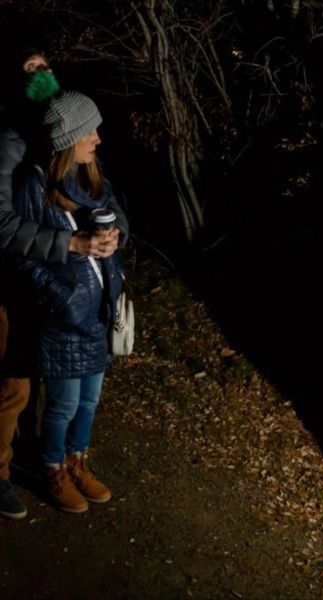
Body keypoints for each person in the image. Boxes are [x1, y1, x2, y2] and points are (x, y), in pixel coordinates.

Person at [0, 49, 127, 519]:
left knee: (80, 398)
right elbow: (9, 238)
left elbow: (115, 212)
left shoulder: (81, 167)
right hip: (45, 301)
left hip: (85, 308)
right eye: (88, 131)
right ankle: (35, 469)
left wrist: (116, 236)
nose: (98, 138)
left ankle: (74, 460)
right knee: (37, 395)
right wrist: (66, 281)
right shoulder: (19, 162)